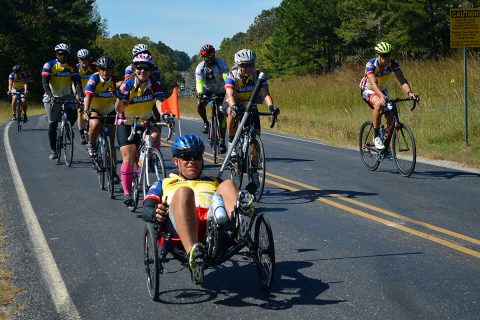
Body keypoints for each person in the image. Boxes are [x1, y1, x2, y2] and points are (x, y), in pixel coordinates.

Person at [142, 134, 241, 285]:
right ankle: (194, 257)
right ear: (176, 161)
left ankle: (240, 226)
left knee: (228, 184)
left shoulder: (214, 181)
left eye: (196, 157)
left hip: (213, 225)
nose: (192, 162)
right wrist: (156, 212)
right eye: (186, 157)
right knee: (184, 191)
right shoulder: (164, 182)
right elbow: (147, 209)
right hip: (179, 226)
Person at [115, 53, 169, 208]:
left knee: (154, 135)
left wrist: (164, 114)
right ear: (135, 69)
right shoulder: (127, 85)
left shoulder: (154, 84)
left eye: (146, 68)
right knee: (129, 156)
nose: (142, 71)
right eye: (139, 67)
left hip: (145, 121)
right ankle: (127, 193)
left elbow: (159, 101)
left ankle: (146, 160)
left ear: (151, 70)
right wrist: (120, 98)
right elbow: (119, 109)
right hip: (126, 122)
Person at [225, 49, 279, 187]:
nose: (248, 68)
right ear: (238, 65)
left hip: (251, 104)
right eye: (244, 65)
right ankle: (231, 142)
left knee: (255, 138)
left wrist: (271, 106)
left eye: (250, 64)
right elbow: (230, 94)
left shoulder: (257, 76)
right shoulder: (232, 75)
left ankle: (254, 173)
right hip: (236, 102)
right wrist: (233, 106)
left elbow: (265, 93)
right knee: (230, 112)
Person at [359, 42, 419, 150]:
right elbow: (373, 83)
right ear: (377, 55)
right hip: (368, 89)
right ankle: (376, 136)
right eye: (384, 55)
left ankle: (385, 142)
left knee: (391, 112)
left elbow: (402, 80)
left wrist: (410, 93)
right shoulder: (371, 65)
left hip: (381, 89)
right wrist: (381, 97)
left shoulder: (393, 63)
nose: (387, 58)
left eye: (389, 54)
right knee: (378, 104)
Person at [41, 43, 83, 160]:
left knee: (75, 112)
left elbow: (77, 83)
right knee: (52, 123)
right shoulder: (49, 65)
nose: (62, 56)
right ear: (56, 54)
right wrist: (50, 96)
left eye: (65, 54)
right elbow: (45, 83)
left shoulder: (72, 67)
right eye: (60, 54)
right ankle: (53, 150)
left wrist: (80, 96)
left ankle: (68, 129)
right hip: (52, 95)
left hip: (67, 95)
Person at [83, 56, 121, 182]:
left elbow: (122, 96)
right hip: (95, 108)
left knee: (111, 143)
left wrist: (116, 93)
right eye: (103, 69)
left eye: (109, 69)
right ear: (98, 69)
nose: (106, 72)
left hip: (110, 109)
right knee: (95, 124)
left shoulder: (115, 80)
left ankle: (113, 172)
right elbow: (88, 96)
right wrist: (86, 110)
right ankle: (92, 144)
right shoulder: (93, 78)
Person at [195, 44, 229, 153]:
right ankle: (205, 122)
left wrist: (228, 86)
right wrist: (200, 93)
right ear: (203, 57)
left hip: (221, 90)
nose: (210, 57)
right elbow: (199, 82)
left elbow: (226, 75)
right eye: (207, 56)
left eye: (212, 55)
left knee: (222, 114)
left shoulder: (220, 63)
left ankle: (223, 140)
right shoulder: (200, 68)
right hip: (207, 90)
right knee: (200, 103)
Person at [76, 48, 97, 144]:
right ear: (79, 60)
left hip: (91, 94)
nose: (84, 62)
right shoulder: (76, 69)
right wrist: (77, 94)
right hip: (80, 93)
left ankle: (91, 131)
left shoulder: (94, 68)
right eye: (82, 59)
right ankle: (82, 134)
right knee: (80, 112)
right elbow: (73, 83)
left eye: (86, 59)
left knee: (92, 112)